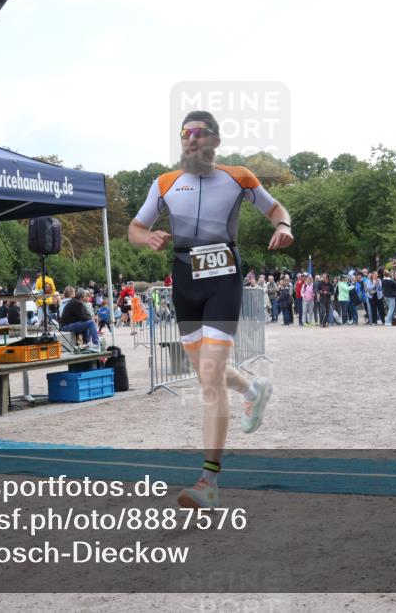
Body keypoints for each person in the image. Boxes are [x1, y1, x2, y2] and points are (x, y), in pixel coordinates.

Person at [128, 110, 292, 508]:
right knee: (205, 369)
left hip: (222, 277)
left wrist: (284, 227)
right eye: (185, 134)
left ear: (215, 140)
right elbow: (135, 228)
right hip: (184, 282)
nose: (190, 140)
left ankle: (208, 481)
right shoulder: (165, 183)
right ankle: (255, 388)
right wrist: (147, 237)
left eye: (198, 133)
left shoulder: (238, 176)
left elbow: (276, 209)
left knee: (209, 378)